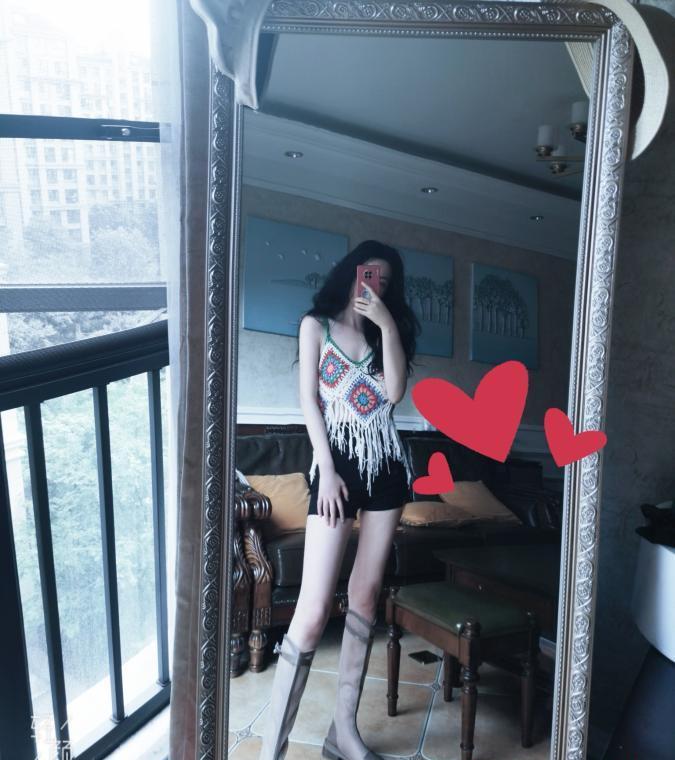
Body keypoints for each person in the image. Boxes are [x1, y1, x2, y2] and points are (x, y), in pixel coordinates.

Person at [259, 240, 420, 760]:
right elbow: (309, 400)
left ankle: (342, 733)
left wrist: (388, 325)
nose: (375, 286)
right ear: (352, 272)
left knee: (366, 596)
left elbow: (394, 393)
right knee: (311, 612)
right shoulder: (316, 325)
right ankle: (272, 748)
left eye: (386, 282)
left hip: (387, 466)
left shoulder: (387, 331)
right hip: (337, 466)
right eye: (370, 274)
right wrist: (325, 470)